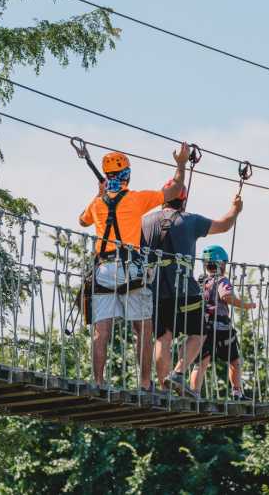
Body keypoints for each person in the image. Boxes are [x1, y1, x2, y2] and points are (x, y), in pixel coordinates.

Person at [79, 143, 189, 390]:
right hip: (130, 268)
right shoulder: (137, 199)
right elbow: (176, 189)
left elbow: (82, 220)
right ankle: (145, 383)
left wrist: (99, 194)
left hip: (103, 270)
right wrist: (181, 163)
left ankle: (97, 382)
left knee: (101, 331)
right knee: (143, 328)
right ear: (127, 175)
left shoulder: (97, 204)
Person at [141, 182, 244, 397]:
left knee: (163, 338)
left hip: (157, 289)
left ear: (163, 198)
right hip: (186, 289)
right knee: (199, 333)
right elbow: (224, 225)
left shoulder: (145, 221)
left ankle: (163, 389)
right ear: (183, 200)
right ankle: (178, 373)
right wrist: (235, 209)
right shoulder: (190, 220)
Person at [190, 245, 255, 400]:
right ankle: (237, 392)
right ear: (221, 264)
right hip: (222, 327)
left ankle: (194, 393)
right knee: (234, 360)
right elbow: (226, 296)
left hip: (204, 327)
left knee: (201, 361)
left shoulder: (200, 281)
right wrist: (245, 305)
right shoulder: (222, 280)